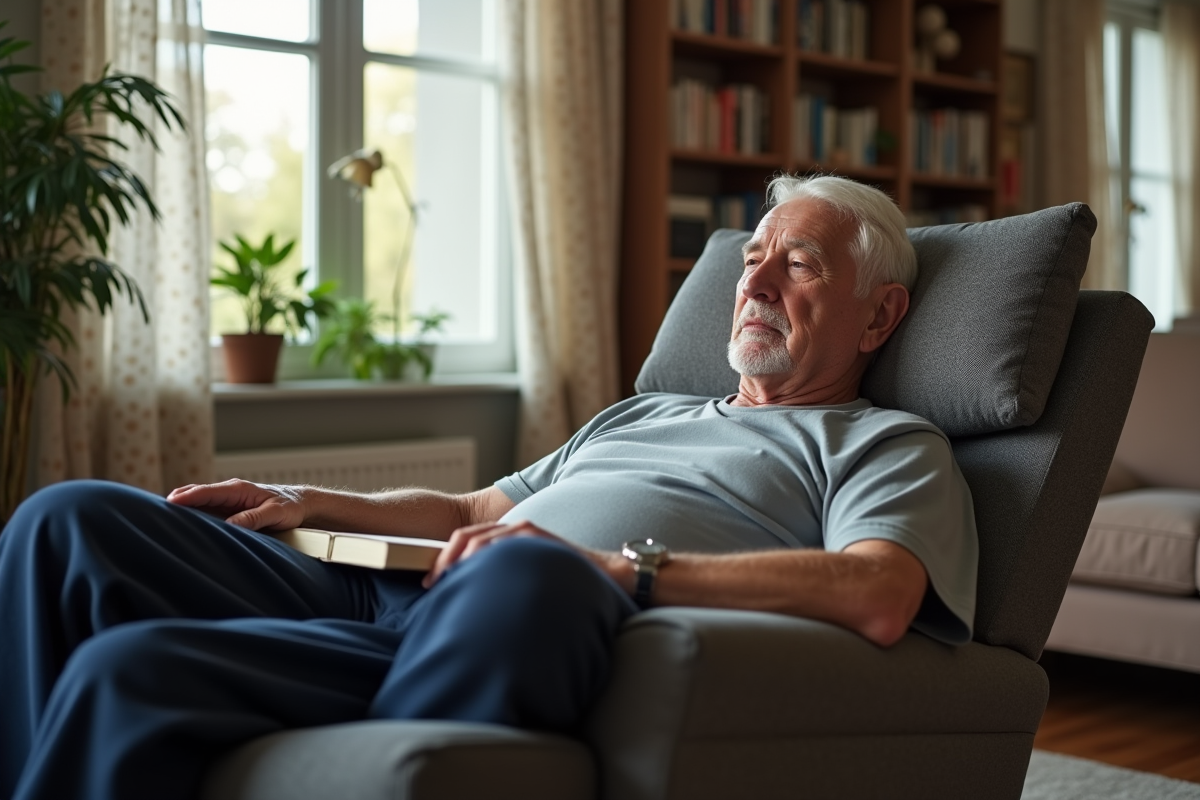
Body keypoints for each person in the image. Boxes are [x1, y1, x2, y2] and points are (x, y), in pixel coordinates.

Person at [0, 175, 977, 800]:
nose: (755, 284)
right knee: (67, 520)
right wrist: (308, 497)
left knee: (129, 671)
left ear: (879, 316)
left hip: (525, 610)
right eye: (752, 259)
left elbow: (880, 590)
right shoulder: (643, 413)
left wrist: (616, 569)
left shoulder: (883, 441)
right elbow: (473, 510)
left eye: (798, 266)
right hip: (405, 586)